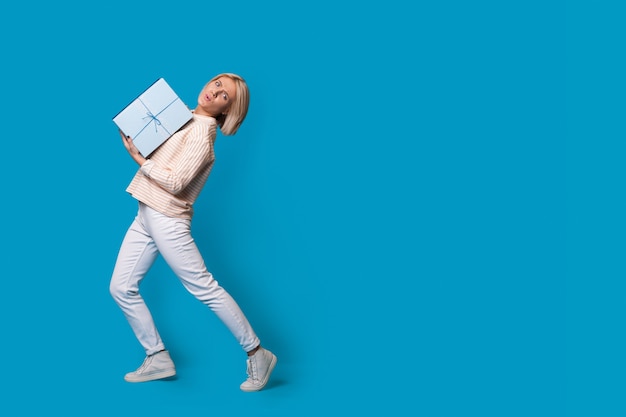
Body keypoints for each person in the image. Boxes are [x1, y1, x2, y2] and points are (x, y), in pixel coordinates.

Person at [109, 73, 276, 392]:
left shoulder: (203, 131)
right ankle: (157, 356)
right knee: (121, 287)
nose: (215, 92)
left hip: (167, 216)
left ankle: (258, 352)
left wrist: (138, 159)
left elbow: (176, 182)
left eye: (224, 95)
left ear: (228, 110)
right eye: (216, 84)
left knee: (203, 287)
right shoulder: (183, 116)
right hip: (147, 210)